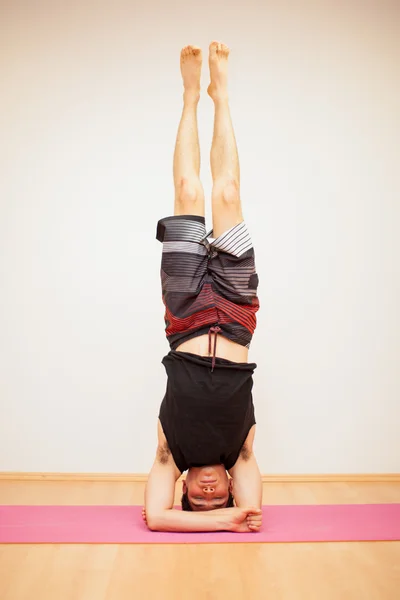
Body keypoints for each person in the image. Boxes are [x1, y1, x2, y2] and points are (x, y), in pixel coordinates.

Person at [143, 42, 262, 533]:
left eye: (197, 500)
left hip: (185, 312)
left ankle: (192, 96)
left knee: (190, 194)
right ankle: (224, 95)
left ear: (184, 487)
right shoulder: (243, 455)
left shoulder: (172, 452)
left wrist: (219, 521)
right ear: (232, 489)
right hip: (236, 315)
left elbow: (154, 517)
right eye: (219, 500)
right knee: (228, 193)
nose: (208, 494)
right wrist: (237, 517)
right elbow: (254, 516)